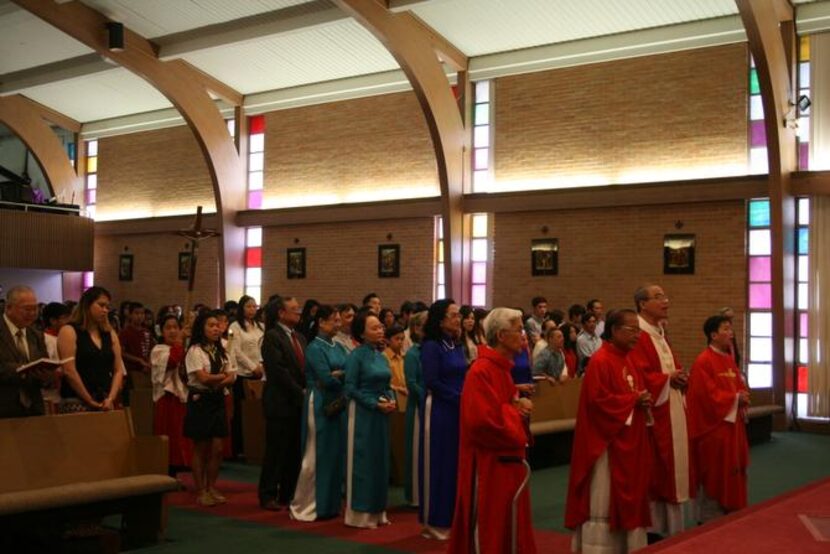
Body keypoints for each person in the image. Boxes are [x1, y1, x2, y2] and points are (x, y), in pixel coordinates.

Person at [448, 308, 536, 554]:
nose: (524, 336)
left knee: (509, 519)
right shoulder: (481, 371)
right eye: (519, 330)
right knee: (490, 524)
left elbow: (502, 406)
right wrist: (515, 412)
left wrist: (515, 406)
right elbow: (481, 423)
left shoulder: (502, 369)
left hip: (506, 461)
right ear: (500, 335)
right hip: (488, 464)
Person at [565, 309, 653, 552]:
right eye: (631, 330)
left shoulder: (629, 359)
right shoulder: (600, 360)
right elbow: (597, 403)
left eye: (639, 330)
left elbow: (633, 392)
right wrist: (632, 401)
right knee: (604, 499)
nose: (637, 335)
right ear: (613, 331)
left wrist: (642, 400)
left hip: (629, 441)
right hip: (606, 445)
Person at [628, 284, 690, 539]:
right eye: (658, 297)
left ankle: (671, 530)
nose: (665, 301)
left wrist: (680, 377)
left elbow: (669, 367)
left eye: (665, 295)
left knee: (670, 470)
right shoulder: (639, 335)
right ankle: (654, 530)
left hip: (671, 407)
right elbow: (638, 373)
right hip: (654, 415)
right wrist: (667, 379)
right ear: (642, 304)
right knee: (657, 471)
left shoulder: (660, 333)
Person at [687, 315, 750, 523]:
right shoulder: (703, 362)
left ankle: (731, 512)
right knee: (715, 475)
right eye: (726, 329)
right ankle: (709, 519)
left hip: (732, 428)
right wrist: (735, 399)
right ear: (713, 335)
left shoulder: (728, 359)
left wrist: (742, 395)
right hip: (713, 430)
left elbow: (738, 386)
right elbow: (705, 397)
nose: (731, 333)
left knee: (734, 471)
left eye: (731, 329)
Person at [290, 305, 348, 521]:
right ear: (322, 322)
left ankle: (329, 504)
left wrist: (340, 373)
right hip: (320, 402)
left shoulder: (339, 346)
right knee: (317, 451)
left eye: (339, 320)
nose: (338, 324)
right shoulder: (315, 347)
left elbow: (349, 370)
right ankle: (308, 504)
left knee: (334, 453)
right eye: (334, 320)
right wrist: (339, 375)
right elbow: (326, 378)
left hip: (337, 401)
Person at [344, 309, 396, 528]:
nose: (380, 330)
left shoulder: (380, 355)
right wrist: (374, 404)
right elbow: (349, 388)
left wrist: (391, 399)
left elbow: (386, 383)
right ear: (362, 333)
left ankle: (378, 510)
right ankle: (361, 513)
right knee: (363, 461)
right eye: (374, 327)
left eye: (380, 327)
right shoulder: (356, 356)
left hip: (381, 412)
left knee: (380, 461)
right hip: (363, 412)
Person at [419, 299, 467, 540]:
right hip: (439, 408)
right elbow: (432, 381)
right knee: (439, 463)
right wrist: (459, 397)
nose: (458, 319)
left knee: (454, 465)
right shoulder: (431, 346)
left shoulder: (455, 344)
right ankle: (435, 520)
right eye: (454, 315)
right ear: (440, 320)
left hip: (458, 408)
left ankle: (452, 517)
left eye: (459, 315)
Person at [183, 310, 236, 507]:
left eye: (217, 325)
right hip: (200, 401)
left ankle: (211, 486)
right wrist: (221, 378)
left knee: (218, 448)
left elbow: (232, 375)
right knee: (201, 447)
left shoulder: (222, 350)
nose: (215, 329)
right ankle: (201, 489)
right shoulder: (195, 350)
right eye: (211, 325)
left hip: (217, 400)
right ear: (201, 328)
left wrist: (220, 379)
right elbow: (202, 378)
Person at [259, 296, 306, 511]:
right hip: (280, 402)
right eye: (294, 309)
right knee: (276, 452)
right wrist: (300, 392)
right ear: (281, 313)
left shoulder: (300, 338)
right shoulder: (272, 337)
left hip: (297, 402)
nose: (299, 312)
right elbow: (278, 371)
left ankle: (287, 493)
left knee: (294, 452)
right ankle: (268, 494)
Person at [58, 286, 125, 412]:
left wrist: (110, 398)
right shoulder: (69, 331)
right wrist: (89, 400)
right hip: (76, 399)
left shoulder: (109, 333)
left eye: (107, 307)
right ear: (87, 304)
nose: (105, 310)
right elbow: (69, 370)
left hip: (105, 399)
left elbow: (118, 370)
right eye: (101, 305)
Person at [150, 314, 192, 474]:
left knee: (180, 436)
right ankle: (166, 472)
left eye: (176, 327)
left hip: (181, 397)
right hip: (166, 399)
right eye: (168, 328)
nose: (173, 331)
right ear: (161, 331)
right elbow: (171, 362)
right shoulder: (158, 350)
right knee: (169, 437)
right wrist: (180, 341)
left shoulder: (183, 347)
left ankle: (178, 470)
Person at [0, 286, 50, 418]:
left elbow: (43, 363)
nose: (33, 313)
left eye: (35, 308)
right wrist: (21, 369)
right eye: (27, 309)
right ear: (8, 307)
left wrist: (47, 376)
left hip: (33, 407)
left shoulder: (36, 334)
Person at [228, 295, 264, 458]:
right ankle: (240, 447)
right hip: (243, 373)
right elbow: (235, 351)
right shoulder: (235, 326)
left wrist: (261, 365)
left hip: (260, 372)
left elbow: (263, 348)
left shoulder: (260, 326)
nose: (252, 309)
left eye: (254, 306)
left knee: (258, 411)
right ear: (242, 308)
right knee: (242, 412)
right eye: (248, 306)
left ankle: (255, 444)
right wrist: (252, 366)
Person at [404, 310, 428, 507]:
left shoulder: (430, 349)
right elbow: (411, 382)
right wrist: (427, 398)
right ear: (417, 328)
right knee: (417, 448)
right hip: (418, 405)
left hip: (430, 403)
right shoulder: (412, 353)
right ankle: (415, 495)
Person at [384, 323, 408, 412]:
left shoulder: (404, 357)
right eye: (397, 339)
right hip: (391, 399)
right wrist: (397, 388)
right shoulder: (383, 357)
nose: (400, 342)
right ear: (387, 340)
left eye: (402, 339)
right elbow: (383, 383)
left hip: (405, 398)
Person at [718, 307, 742, 371]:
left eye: (731, 319)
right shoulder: (718, 333)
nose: (730, 321)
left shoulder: (731, 332)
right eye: (728, 319)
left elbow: (734, 348)